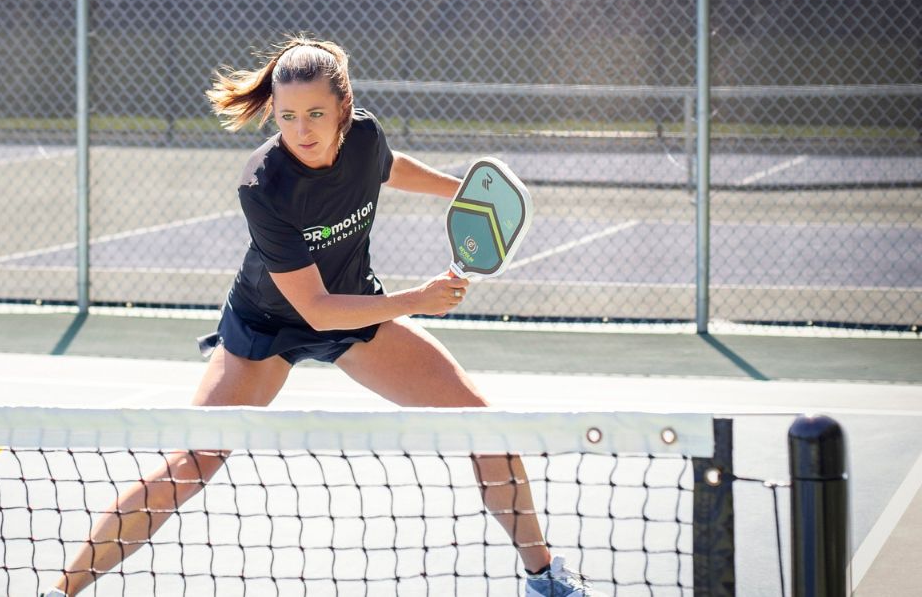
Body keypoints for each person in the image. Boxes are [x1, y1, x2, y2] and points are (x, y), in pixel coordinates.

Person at [46, 37, 596, 597]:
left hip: (356, 307)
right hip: (267, 328)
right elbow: (313, 307)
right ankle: (59, 592)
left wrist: (461, 193)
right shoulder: (262, 185)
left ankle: (545, 577)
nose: (302, 130)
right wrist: (416, 300)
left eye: (315, 114)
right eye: (286, 117)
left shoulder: (365, 136)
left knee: (485, 427)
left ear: (342, 108)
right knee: (191, 464)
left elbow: (387, 167)